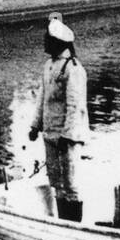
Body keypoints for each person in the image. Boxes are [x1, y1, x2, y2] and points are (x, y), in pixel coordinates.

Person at [29, 12, 90, 221]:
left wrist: (68, 135)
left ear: (58, 42)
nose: (45, 43)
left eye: (48, 39)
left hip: (67, 137)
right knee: (56, 183)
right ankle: (63, 223)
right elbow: (42, 98)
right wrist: (35, 126)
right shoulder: (49, 66)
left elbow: (76, 106)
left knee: (70, 184)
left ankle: (74, 226)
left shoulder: (73, 69)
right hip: (50, 134)